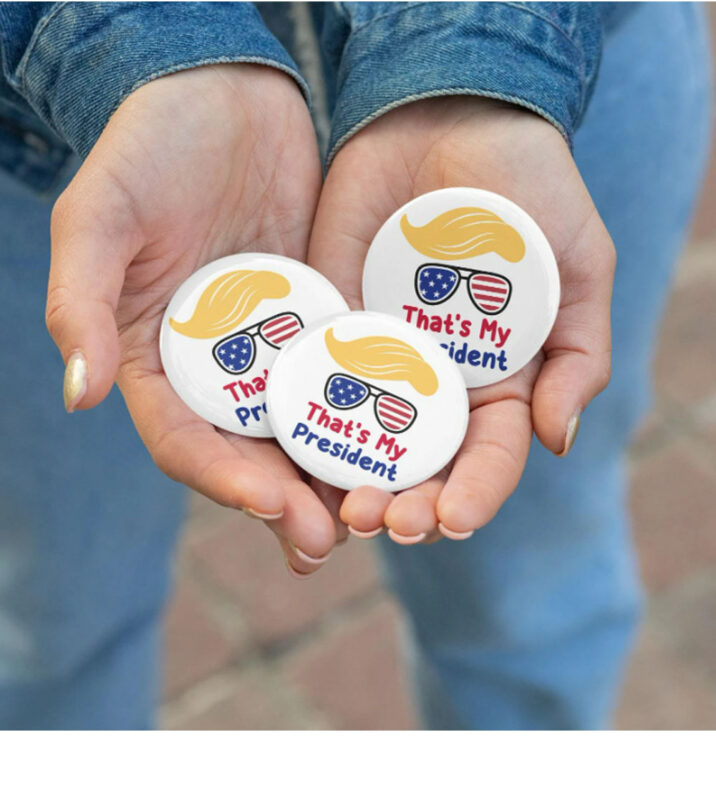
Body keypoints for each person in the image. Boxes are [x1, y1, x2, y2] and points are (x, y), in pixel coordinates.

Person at [0, 1, 711, 729]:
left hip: (540, 76)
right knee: (60, 618)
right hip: (74, 127)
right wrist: (124, 41)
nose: (368, 413)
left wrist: (478, 40)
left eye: (391, 410)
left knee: (530, 608)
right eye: (444, 285)